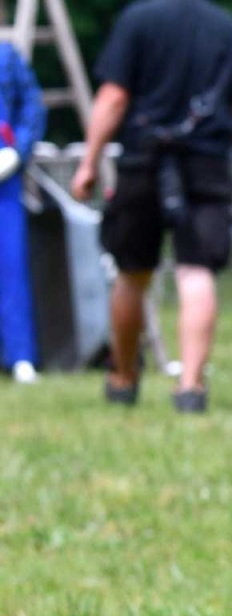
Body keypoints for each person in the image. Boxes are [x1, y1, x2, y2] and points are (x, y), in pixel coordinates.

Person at [71, 0, 232, 414]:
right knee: (196, 270)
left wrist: (89, 162)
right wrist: (218, 148)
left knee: (131, 273)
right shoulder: (227, 27)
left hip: (144, 160)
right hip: (206, 162)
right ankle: (191, 387)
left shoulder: (138, 20)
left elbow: (114, 98)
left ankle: (123, 379)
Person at [0, 41, 45, 385]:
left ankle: (20, 357)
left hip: (4, 177)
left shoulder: (7, 56)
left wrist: (18, 151)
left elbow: (31, 106)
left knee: (10, 266)